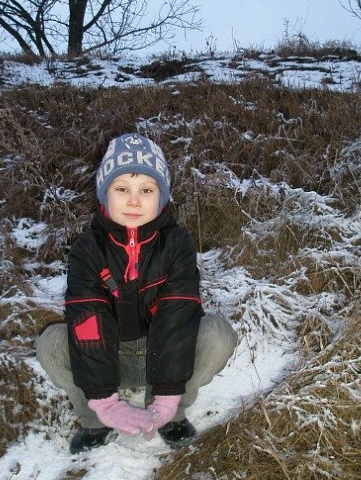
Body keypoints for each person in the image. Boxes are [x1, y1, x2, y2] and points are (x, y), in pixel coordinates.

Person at [35, 133, 237, 453]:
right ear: (105, 194)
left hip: (164, 351)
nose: (133, 200)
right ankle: (95, 419)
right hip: (109, 353)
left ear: (162, 196)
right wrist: (105, 400)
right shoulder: (87, 249)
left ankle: (170, 415)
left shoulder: (177, 244)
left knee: (218, 333)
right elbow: (89, 321)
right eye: (122, 189)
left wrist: (167, 396)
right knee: (51, 342)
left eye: (146, 190)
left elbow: (177, 313)